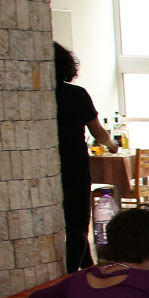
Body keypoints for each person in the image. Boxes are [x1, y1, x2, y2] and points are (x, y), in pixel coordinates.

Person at [53, 43, 114, 271]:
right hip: (73, 166)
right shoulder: (76, 95)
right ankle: (71, 275)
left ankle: (88, 266)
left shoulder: (35, 98)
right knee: (77, 225)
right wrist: (112, 144)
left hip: (47, 169)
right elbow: (98, 133)